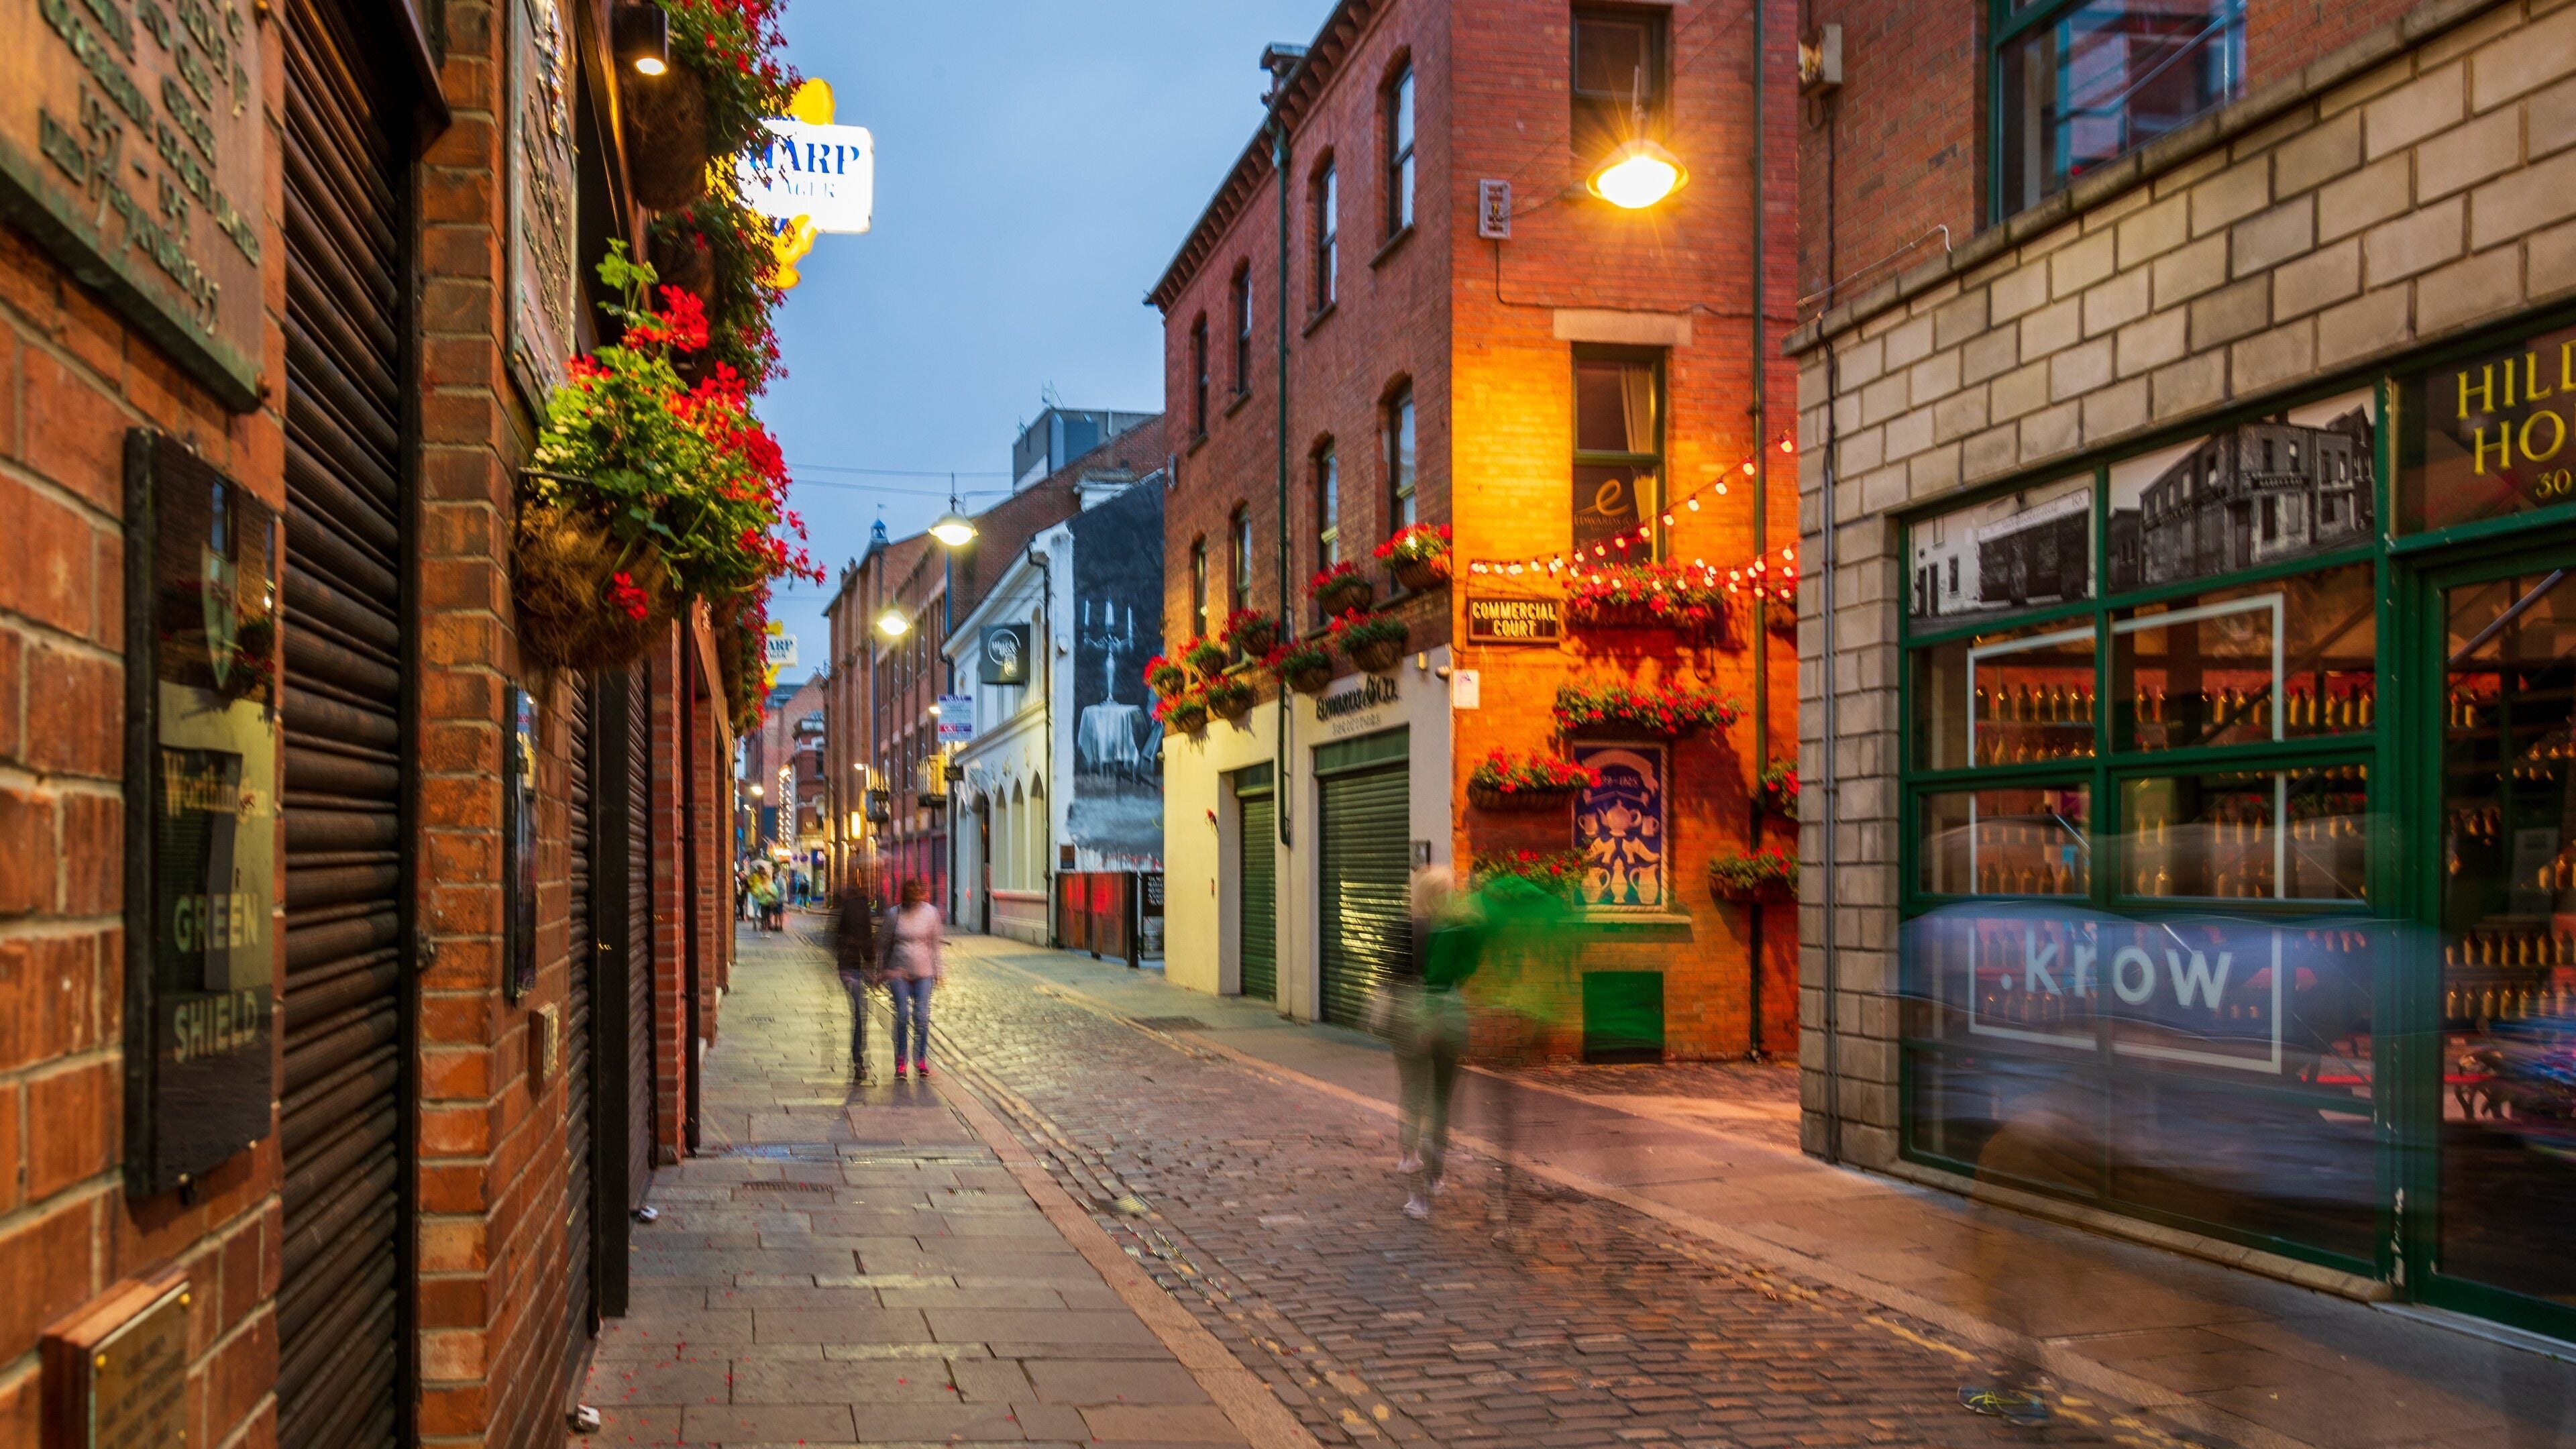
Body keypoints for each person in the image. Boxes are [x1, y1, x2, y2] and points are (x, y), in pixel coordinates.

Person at [1395, 867, 1483, 1221]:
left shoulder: (1429, 929)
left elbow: (1429, 978)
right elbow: (1467, 969)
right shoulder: (1464, 927)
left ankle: (1421, 1192)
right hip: (1455, 1013)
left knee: (1416, 1092)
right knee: (1442, 1101)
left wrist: (1423, 1022)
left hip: (1427, 1012)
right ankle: (1435, 1179)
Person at [882, 877, 944, 1079]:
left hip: (924, 973)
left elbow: (935, 944)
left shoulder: (931, 913)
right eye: (910, 895)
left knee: (922, 1017)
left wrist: (939, 972)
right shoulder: (894, 914)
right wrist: (880, 970)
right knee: (902, 1015)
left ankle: (921, 1059)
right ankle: (901, 1061)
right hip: (898, 971)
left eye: (917, 894)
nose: (914, 898)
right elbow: (883, 943)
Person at [834, 867, 881, 1081]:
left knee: (860, 1013)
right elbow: (866, 940)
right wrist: (871, 966)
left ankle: (859, 1059)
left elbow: (833, 937)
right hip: (852, 968)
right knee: (860, 1014)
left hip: (848, 967)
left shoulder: (846, 905)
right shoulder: (859, 907)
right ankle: (858, 1061)